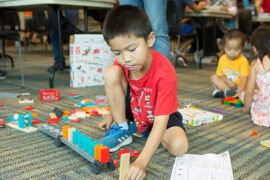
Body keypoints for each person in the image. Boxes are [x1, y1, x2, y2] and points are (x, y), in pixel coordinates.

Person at [98, 5, 188, 179]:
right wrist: (112, 116)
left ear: (150, 39)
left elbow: (162, 121)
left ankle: (148, 132)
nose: (126, 59)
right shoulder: (125, 64)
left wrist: (141, 162)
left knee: (179, 147)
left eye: (132, 50)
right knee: (111, 73)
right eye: (117, 52)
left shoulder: (165, 73)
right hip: (136, 108)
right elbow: (117, 89)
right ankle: (123, 128)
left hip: (159, 116)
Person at [241, 25, 270, 127]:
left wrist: (246, 108)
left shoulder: (256, 64)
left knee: (245, 94)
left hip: (266, 110)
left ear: (255, 47)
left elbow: (249, 92)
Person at [210, 29, 250, 98]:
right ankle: (228, 92)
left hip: (238, 86)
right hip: (226, 84)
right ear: (224, 47)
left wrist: (240, 92)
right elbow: (219, 74)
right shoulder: (222, 58)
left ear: (242, 48)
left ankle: (226, 93)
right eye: (229, 49)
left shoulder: (243, 60)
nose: (232, 52)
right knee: (213, 77)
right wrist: (227, 81)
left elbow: (245, 79)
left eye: (236, 49)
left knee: (246, 88)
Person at [173, 0, 206, 66]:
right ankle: (177, 53)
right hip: (177, 26)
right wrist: (201, 5)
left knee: (186, 29)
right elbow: (197, 9)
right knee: (194, 32)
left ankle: (180, 54)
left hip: (165, 26)